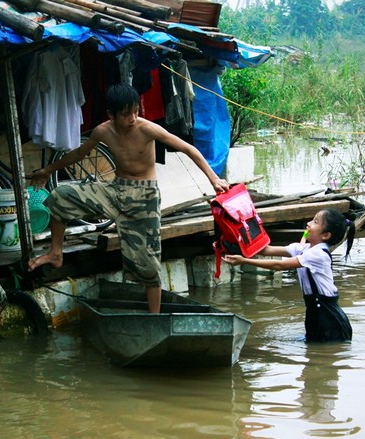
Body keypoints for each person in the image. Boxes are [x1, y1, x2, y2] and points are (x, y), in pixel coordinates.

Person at [28, 83, 230, 313]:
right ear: (111, 115)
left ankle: (154, 318)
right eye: (126, 114)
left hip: (145, 196)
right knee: (60, 196)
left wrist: (213, 179)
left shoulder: (147, 129)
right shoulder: (103, 131)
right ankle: (56, 253)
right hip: (116, 190)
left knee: (149, 264)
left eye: (136, 111)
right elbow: (78, 154)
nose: (133, 118)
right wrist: (48, 170)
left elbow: (188, 148)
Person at [222, 208, 355, 341]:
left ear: (325, 235)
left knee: (326, 354)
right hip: (315, 313)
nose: (308, 223)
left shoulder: (318, 255)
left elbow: (279, 265)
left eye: (315, 222)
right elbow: (266, 250)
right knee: (317, 350)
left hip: (329, 319)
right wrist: (237, 238)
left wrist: (244, 261)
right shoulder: (302, 249)